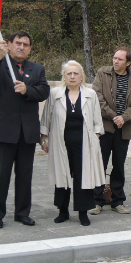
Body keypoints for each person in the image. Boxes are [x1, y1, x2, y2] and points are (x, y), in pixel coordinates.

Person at [0, 32, 50, 228]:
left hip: (27, 132)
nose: (21, 47)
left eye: (26, 44)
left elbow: (44, 91)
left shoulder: (37, 69)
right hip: (2, 130)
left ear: (30, 49)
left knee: (25, 176)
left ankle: (22, 213)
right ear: (9, 45)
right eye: (18, 43)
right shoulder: (0, 64)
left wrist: (28, 90)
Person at [40, 61, 105, 226]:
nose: (72, 76)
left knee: (84, 177)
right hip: (61, 142)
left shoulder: (90, 94)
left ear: (82, 76)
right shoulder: (55, 93)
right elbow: (46, 118)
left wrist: (96, 137)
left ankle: (83, 213)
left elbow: (97, 120)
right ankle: (63, 211)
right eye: (69, 73)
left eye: (76, 73)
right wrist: (44, 138)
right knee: (62, 175)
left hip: (84, 144)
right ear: (64, 76)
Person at [90, 48, 131, 215]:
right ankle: (97, 201)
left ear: (128, 63)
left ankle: (117, 201)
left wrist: (124, 118)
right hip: (104, 128)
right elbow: (97, 98)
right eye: (114, 58)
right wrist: (114, 116)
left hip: (123, 129)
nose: (115, 61)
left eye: (120, 59)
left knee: (119, 166)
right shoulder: (102, 73)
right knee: (100, 164)